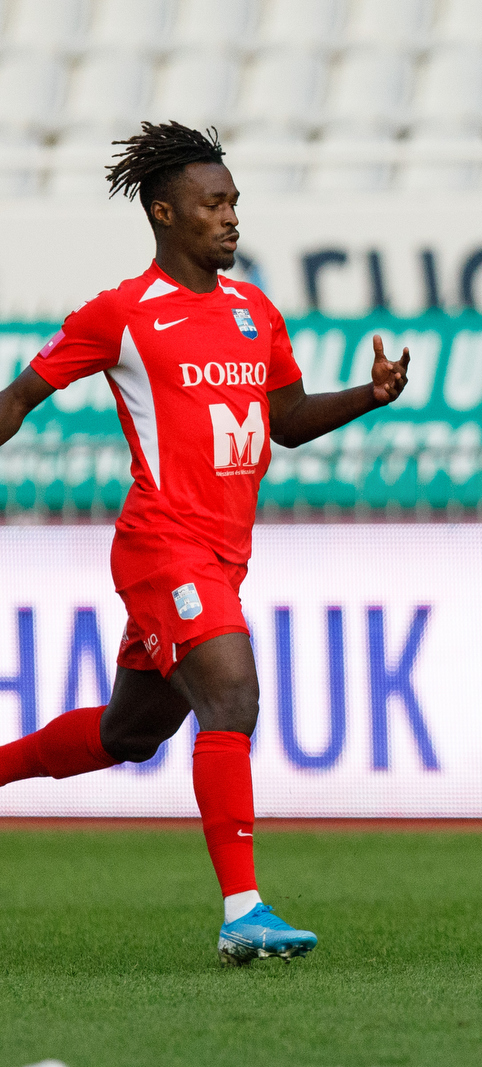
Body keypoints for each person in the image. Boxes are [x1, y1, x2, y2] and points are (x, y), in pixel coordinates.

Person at [0, 122, 409, 965]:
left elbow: (286, 421)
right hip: (162, 547)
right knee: (233, 696)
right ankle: (243, 910)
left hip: (222, 555)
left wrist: (368, 396)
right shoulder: (121, 314)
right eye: (212, 203)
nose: (230, 218)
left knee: (129, 733)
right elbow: (17, 400)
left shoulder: (255, 311)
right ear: (163, 213)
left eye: (233, 203)